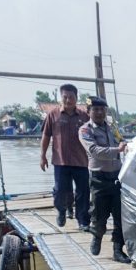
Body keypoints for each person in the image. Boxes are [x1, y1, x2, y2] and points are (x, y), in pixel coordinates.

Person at [78, 96, 129, 263]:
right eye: (96, 109)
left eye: (102, 110)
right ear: (88, 111)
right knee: (99, 216)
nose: (100, 113)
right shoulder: (85, 130)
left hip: (117, 177)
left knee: (120, 216)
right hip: (98, 179)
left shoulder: (112, 128)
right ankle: (97, 236)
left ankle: (118, 250)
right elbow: (94, 151)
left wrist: (128, 145)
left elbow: (122, 141)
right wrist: (117, 150)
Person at [40, 83, 90, 230]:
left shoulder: (84, 116)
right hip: (60, 161)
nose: (68, 100)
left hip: (81, 161)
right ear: (61, 98)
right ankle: (62, 211)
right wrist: (42, 156)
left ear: (76, 98)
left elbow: (93, 136)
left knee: (83, 191)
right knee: (61, 190)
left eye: (71, 97)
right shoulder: (53, 115)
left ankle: (83, 221)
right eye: (65, 97)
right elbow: (46, 136)